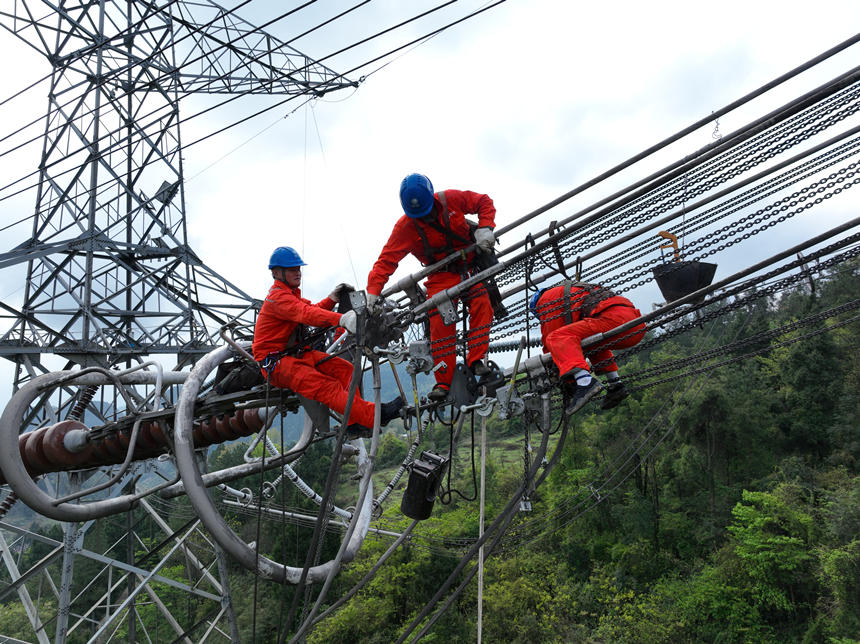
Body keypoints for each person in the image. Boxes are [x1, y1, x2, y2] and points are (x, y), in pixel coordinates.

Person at [366, 173, 497, 402]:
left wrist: (485, 227)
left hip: (468, 266)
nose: (424, 216)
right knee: (439, 323)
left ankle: (476, 360)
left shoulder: (451, 200)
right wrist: (372, 291)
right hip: (439, 274)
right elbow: (386, 260)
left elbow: (483, 201)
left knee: (482, 304)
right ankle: (443, 381)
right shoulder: (406, 226)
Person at [252, 246, 402, 435]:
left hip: (295, 356)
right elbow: (306, 314)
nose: (298, 273)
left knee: (346, 370)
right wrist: (341, 319)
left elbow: (312, 309)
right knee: (328, 388)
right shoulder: (278, 298)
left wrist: (332, 299)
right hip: (278, 365)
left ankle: (354, 422)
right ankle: (376, 415)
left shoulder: (289, 296)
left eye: (298, 268)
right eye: (292, 269)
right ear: (276, 273)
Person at [530, 280, 647, 414]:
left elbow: (550, 339)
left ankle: (585, 382)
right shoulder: (573, 291)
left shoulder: (546, 300)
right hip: (636, 325)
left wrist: (556, 370)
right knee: (588, 342)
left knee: (557, 338)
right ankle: (616, 384)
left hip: (615, 321)